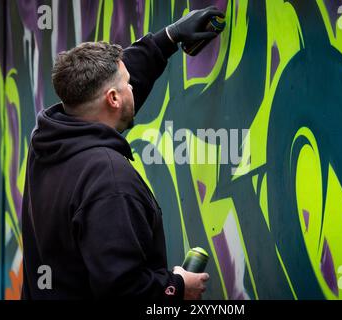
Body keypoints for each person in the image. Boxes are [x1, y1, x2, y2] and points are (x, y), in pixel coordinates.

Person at [21, 6, 225, 300]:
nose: (133, 86)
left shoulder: (47, 141)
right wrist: (177, 287)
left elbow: (106, 94)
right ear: (114, 98)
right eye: (127, 83)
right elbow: (123, 289)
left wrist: (167, 39)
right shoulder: (109, 179)